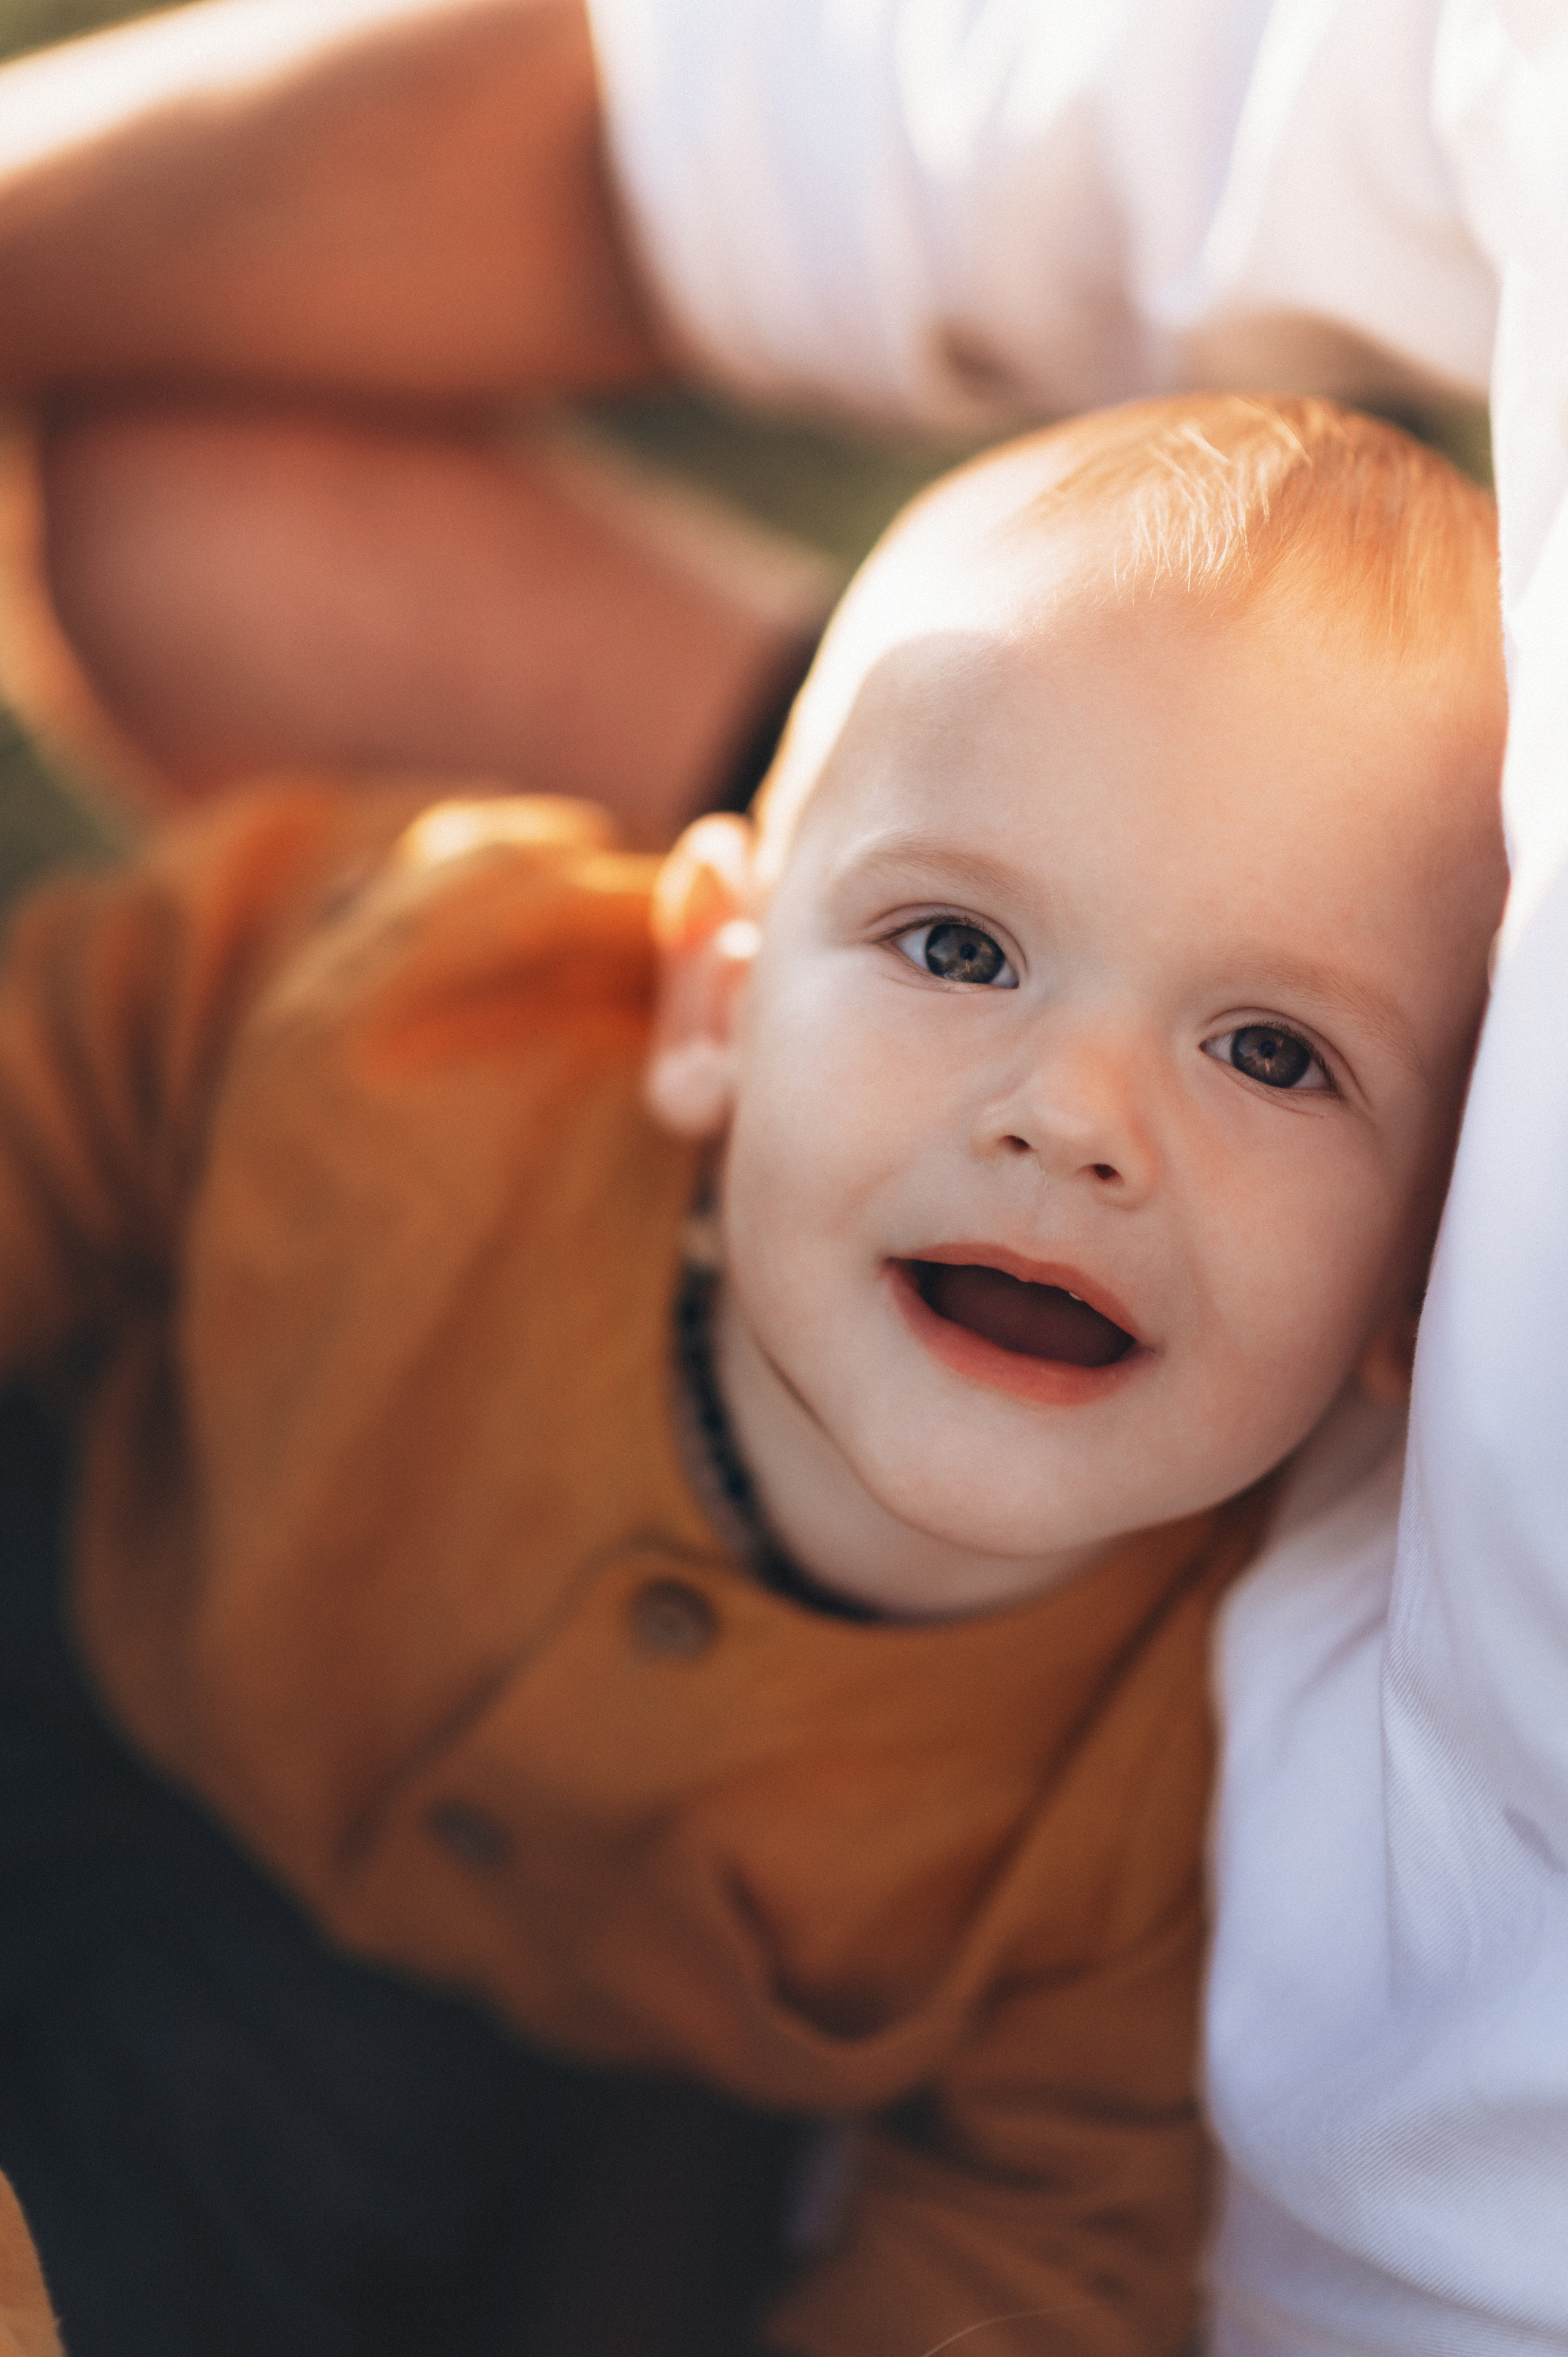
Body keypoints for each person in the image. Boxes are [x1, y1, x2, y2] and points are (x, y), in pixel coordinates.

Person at [1, 4, 1566, 2353]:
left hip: (381, 2069)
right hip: (77, 1606)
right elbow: (74, 1077)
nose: (1075, 1116)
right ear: (713, 989)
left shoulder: (1146, 1815)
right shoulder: (427, 1026)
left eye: (1274, 1054)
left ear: (1417, 1292)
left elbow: (1028, 2243)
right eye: (956, 947)